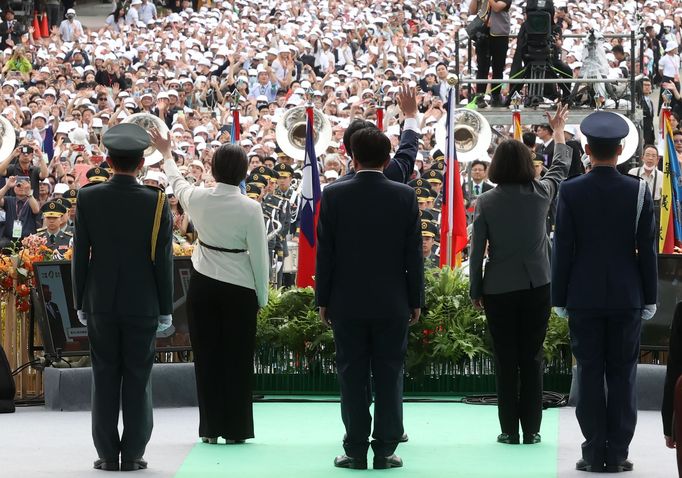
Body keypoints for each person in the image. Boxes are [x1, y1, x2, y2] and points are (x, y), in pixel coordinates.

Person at [551, 111, 658, 473]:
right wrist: (651, 296)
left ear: (586, 147)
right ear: (622, 149)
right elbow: (646, 249)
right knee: (623, 374)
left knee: (590, 374)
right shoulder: (639, 190)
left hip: (583, 296)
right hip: (627, 296)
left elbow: (562, 247)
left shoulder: (570, 189)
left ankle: (593, 450)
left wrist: (559, 298)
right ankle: (618, 452)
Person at [316, 126, 424, 470]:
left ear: (352, 156)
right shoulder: (405, 196)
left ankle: (355, 449)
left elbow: (326, 255)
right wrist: (415, 299)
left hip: (346, 303)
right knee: (390, 375)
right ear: (388, 159)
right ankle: (386, 450)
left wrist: (323, 299)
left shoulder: (333, 195)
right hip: (393, 302)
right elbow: (414, 256)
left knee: (352, 376)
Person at [153, 130, 269, 445]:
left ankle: (210, 429)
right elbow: (260, 255)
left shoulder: (199, 198)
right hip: (241, 288)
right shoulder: (250, 207)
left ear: (214, 170)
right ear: (244, 173)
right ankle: (237, 429)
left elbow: (177, 182)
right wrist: (262, 296)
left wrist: (166, 153)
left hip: (203, 285)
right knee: (238, 357)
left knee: (206, 357)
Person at [72, 123, 173, 472]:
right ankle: (133, 454)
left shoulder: (87, 196)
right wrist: (164, 307)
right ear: (141, 162)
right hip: (142, 302)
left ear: (108, 160)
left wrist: (80, 300)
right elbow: (162, 259)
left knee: (104, 376)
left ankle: (106, 453)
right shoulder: (156, 200)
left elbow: (80, 253)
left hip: (100, 301)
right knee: (138, 376)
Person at [469, 104, 571, 446]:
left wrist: (475, 290)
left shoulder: (486, 202)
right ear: (529, 164)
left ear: (495, 166)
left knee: (505, 358)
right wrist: (557, 132)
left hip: (497, 288)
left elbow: (476, 251)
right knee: (532, 357)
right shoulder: (542, 193)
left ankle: (508, 430)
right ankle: (532, 429)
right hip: (537, 285)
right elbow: (560, 167)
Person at [339, 85, 419, 184]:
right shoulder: (397, 174)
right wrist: (410, 115)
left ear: (347, 151)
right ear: (387, 161)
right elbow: (407, 152)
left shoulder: (331, 192)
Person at [468, 0, 512, 107]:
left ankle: (496, 96)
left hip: (500, 35)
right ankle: (479, 96)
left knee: (498, 67)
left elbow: (497, 7)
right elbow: (472, 11)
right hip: (483, 33)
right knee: (482, 67)